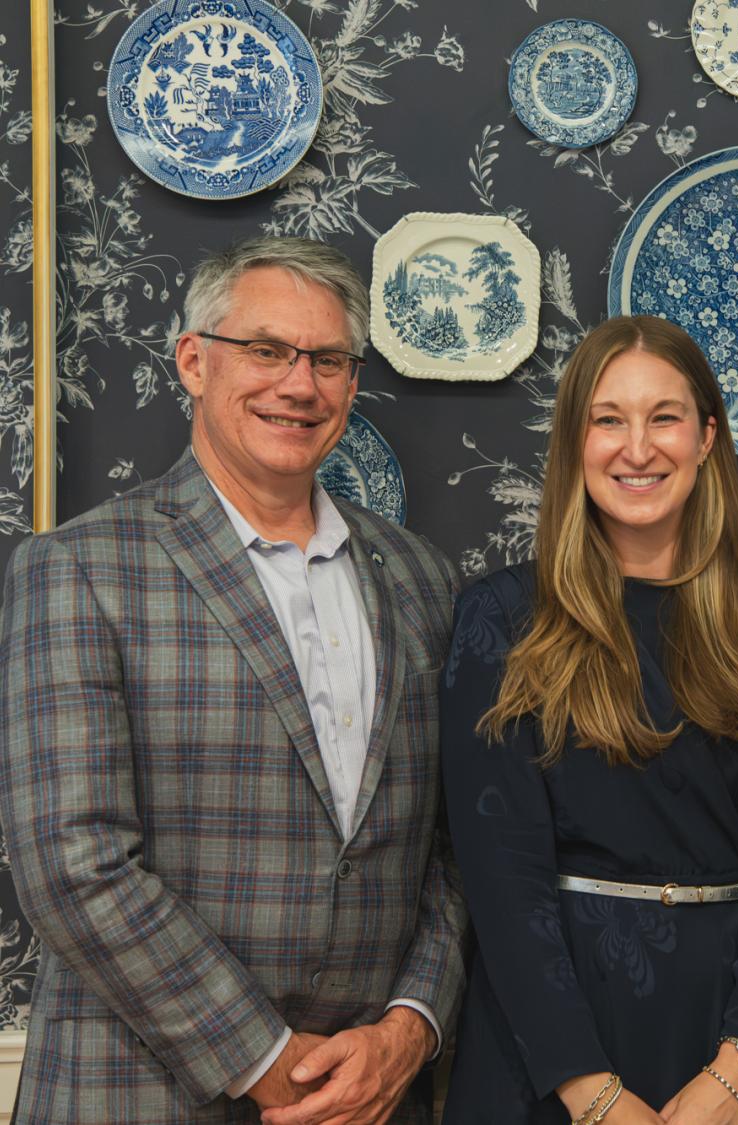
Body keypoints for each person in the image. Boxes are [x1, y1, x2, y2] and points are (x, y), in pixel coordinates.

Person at [0, 237, 467, 1124]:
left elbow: (452, 848)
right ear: (193, 361)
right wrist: (263, 1058)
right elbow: (74, 860)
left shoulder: (422, 579)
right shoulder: (79, 568)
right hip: (139, 1094)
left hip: (371, 1098)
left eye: (328, 359)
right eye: (265, 350)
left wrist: (410, 1027)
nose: (300, 384)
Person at [439, 314, 738, 1124]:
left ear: (706, 437)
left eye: (665, 417)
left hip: (734, 1037)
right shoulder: (502, 617)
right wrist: (589, 1089)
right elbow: (499, 877)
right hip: (547, 1048)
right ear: (572, 442)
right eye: (608, 419)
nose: (638, 447)